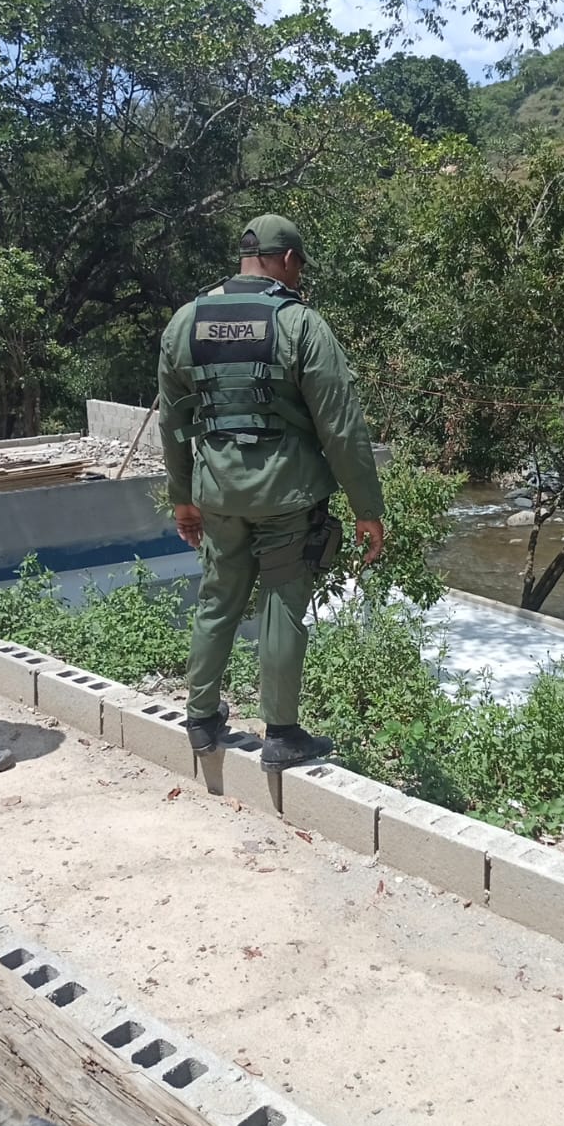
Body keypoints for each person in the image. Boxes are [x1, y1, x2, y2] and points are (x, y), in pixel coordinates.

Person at [158, 214, 385, 772]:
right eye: (300, 264)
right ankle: (281, 735)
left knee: (217, 602)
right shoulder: (301, 324)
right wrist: (367, 508)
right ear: (285, 260)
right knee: (283, 606)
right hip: (287, 498)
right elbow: (341, 426)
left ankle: (202, 719)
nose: (300, 276)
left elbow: (173, 421)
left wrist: (182, 497)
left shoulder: (184, 323)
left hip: (217, 496)